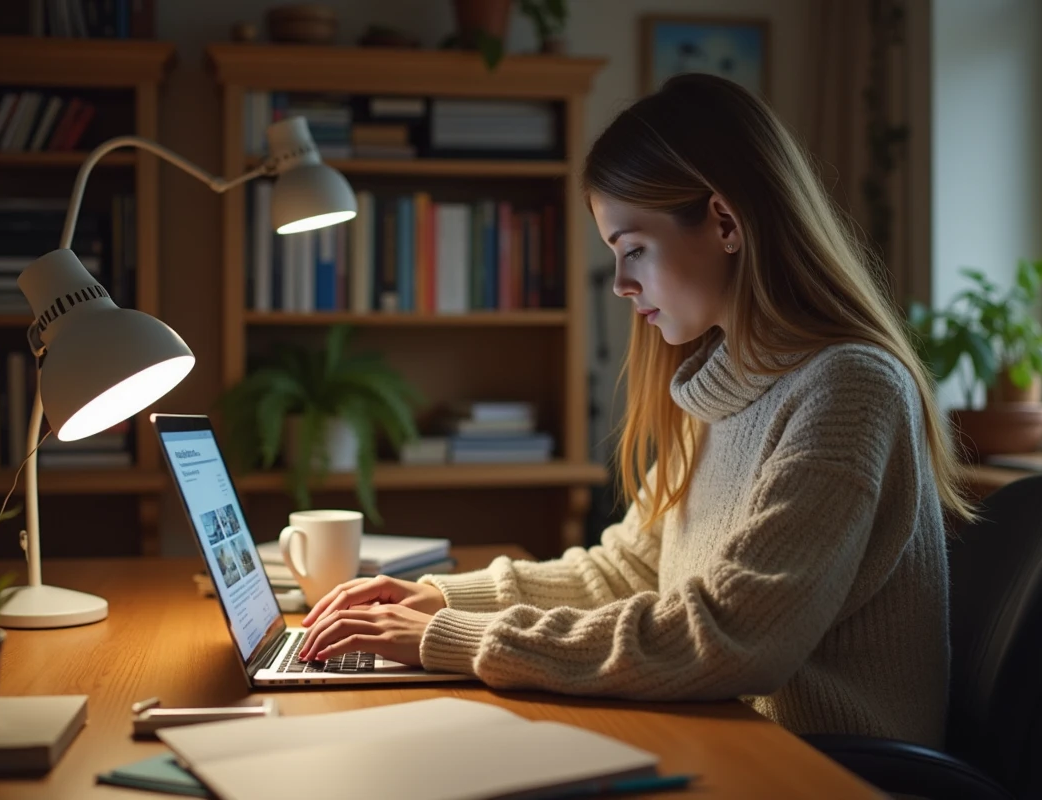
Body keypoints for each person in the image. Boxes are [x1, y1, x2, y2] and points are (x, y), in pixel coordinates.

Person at [298, 73, 972, 748]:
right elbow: (628, 572)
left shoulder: (850, 390)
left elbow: (731, 637)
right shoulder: (719, 388)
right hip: (729, 739)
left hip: (824, 772)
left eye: (633, 250)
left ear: (725, 223)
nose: (621, 285)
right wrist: (444, 600)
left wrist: (454, 639)